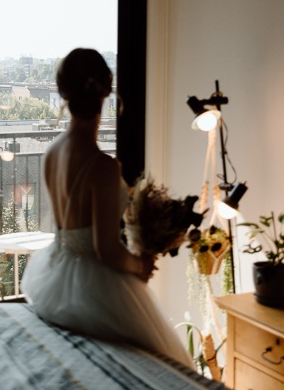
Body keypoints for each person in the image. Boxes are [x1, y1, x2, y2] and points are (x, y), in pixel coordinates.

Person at [21, 48, 194, 368]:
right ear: (107, 93)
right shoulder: (101, 166)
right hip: (91, 286)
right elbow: (106, 250)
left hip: (55, 273)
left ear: (62, 93)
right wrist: (140, 265)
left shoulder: (52, 151)